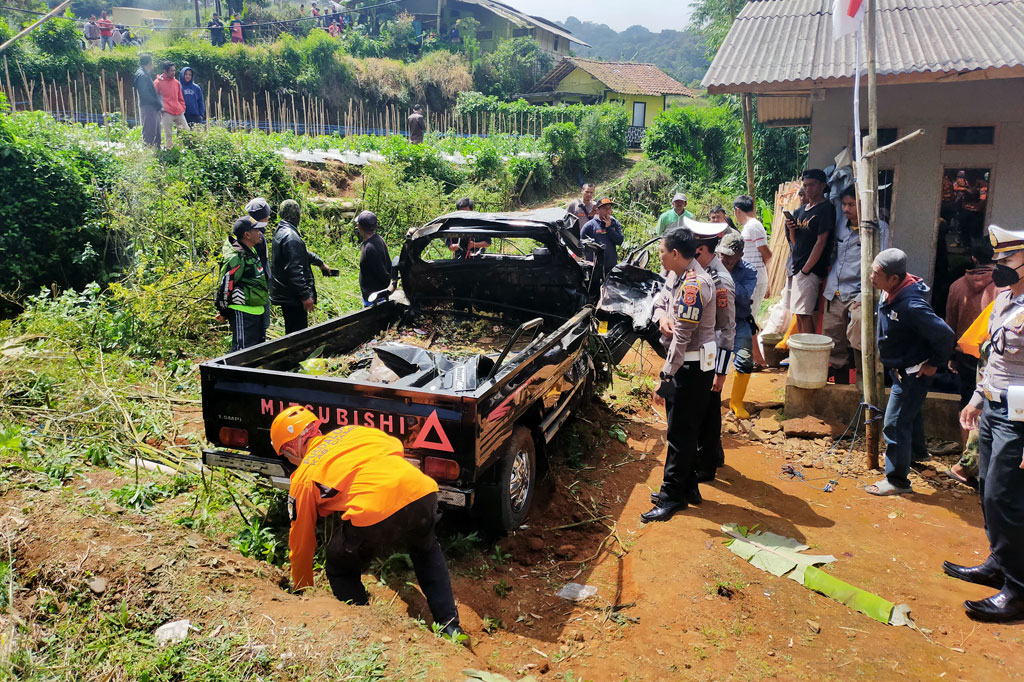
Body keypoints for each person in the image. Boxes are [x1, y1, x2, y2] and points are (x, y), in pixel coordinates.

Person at [269, 407, 463, 637]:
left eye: (286, 455)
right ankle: (450, 626)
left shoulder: (304, 476)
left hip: (374, 511)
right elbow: (395, 447)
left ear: (291, 447)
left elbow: (301, 540)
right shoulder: (352, 432)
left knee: (339, 565)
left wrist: (302, 588)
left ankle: (364, 630)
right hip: (421, 491)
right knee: (425, 549)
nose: (290, 460)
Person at [946, 225, 1024, 622]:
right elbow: (993, 358)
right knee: (985, 489)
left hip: (1020, 419)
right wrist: (977, 400)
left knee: (1004, 496)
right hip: (994, 409)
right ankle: (999, 563)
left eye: (1009, 260)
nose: (1001, 267)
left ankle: (1019, 588)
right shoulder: (1007, 300)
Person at [866, 248, 955, 496]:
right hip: (900, 368)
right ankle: (916, 453)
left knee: (894, 424)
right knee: (910, 414)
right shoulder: (893, 290)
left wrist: (934, 362)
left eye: (876, 273)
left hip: (912, 373)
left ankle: (897, 480)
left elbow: (945, 334)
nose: (871, 276)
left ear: (894, 278)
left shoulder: (912, 304)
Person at [644, 227, 717, 522]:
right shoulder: (677, 276)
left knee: (679, 435)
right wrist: (662, 316)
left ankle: (671, 496)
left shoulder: (694, 285)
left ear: (675, 253)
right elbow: (661, 301)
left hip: (690, 366)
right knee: (683, 431)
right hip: (685, 365)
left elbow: (683, 337)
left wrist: (665, 375)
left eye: (661, 251)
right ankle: (687, 488)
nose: (659, 257)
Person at [822, 186, 891, 383]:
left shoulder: (879, 229)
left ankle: (863, 391)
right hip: (834, 292)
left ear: (863, 204)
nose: (846, 209)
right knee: (834, 344)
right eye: (844, 204)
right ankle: (841, 386)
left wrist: (865, 296)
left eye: (851, 204)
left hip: (860, 295)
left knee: (860, 343)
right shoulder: (840, 225)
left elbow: (880, 265)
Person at [946, 241, 998, 477]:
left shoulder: (957, 286)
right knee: (987, 408)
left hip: (966, 355)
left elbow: (950, 323)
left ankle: (965, 455)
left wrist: (951, 355)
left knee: (967, 402)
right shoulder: (1005, 287)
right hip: (992, 359)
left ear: (974, 259)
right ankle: (977, 461)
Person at [690, 221, 736, 481]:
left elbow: (727, 329)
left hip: (711, 355)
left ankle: (706, 466)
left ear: (701, 250)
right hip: (705, 352)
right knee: (706, 408)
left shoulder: (720, 282)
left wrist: (721, 372)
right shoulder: (702, 272)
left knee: (706, 411)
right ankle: (714, 455)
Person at [784, 169, 835, 334]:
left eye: (812, 185)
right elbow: (795, 242)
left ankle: (809, 353)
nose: (808, 189)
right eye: (805, 185)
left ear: (822, 186)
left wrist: (806, 269)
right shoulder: (800, 211)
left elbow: (821, 242)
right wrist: (791, 229)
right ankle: (804, 351)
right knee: (798, 313)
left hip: (809, 270)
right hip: (797, 268)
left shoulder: (826, 209)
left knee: (804, 314)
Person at [271, 199, 330, 334]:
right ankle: (298, 355)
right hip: (293, 297)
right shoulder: (291, 237)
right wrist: (305, 296)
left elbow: (300, 253)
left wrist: (319, 263)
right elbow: (294, 271)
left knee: (291, 330)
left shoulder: (281, 231)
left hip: (286, 294)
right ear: (297, 215)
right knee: (298, 334)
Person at [717, 232, 759, 419]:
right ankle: (711, 398)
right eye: (722, 254)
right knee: (712, 360)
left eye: (729, 255)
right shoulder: (712, 265)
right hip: (716, 320)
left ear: (740, 254)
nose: (724, 258)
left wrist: (725, 279)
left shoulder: (749, 272)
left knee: (744, 360)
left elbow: (743, 297)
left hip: (739, 321)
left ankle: (736, 402)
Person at [220, 217, 269, 351]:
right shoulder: (236, 257)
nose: (261, 232)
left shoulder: (251, 251)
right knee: (242, 353)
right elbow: (225, 286)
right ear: (247, 235)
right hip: (243, 312)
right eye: (257, 230)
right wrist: (223, 311)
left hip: (256, 310)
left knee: (256, 352)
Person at [734, 195, 771, 363]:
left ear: (737, 210)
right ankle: (755, 358)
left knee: (748, 318)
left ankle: (757, 359)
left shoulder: (753, 226)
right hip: (751, 279)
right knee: (748, 317)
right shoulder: (750, 226)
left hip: (755, 279)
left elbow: (767, 254)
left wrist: (769, 280)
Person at [580, 198, 623, 285]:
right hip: (594, 266)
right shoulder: (590, 226)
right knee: (594, 290)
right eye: (604, 208)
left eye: (609, 208)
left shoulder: (615, 223)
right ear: (597, 210)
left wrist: (609, 228)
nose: (608, 211)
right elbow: (581, 244)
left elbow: (620, 241)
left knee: (611, 289)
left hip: (611, 264)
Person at [356, 211, 392, 306]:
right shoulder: (378, 239)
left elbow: (382, 272)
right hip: (374, 295)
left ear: (359, 226)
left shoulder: (370, 248)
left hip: (375, 298)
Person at [153, 62, 188, 150]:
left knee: (186, 131)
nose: (173, 72)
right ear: (165, 71)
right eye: (171, 71)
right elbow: (154, 97)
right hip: (166, 112)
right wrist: (160, 109)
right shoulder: (158, 82)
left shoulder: (176, 82)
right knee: (168, 135)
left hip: (179, 111)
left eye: (174, 70)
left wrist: (183, 107)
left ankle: (182, 150)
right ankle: (169, 151)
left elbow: (181, 97)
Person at [133, 55, 163, 148]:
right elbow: (144, 93)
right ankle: (149, 150)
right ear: (150, 63)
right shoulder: (142, 75)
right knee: (150, 129)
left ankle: (156, 149)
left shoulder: (143, 73)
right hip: (149, 106)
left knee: (155, 129)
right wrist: (156, 102)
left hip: (151, 106)